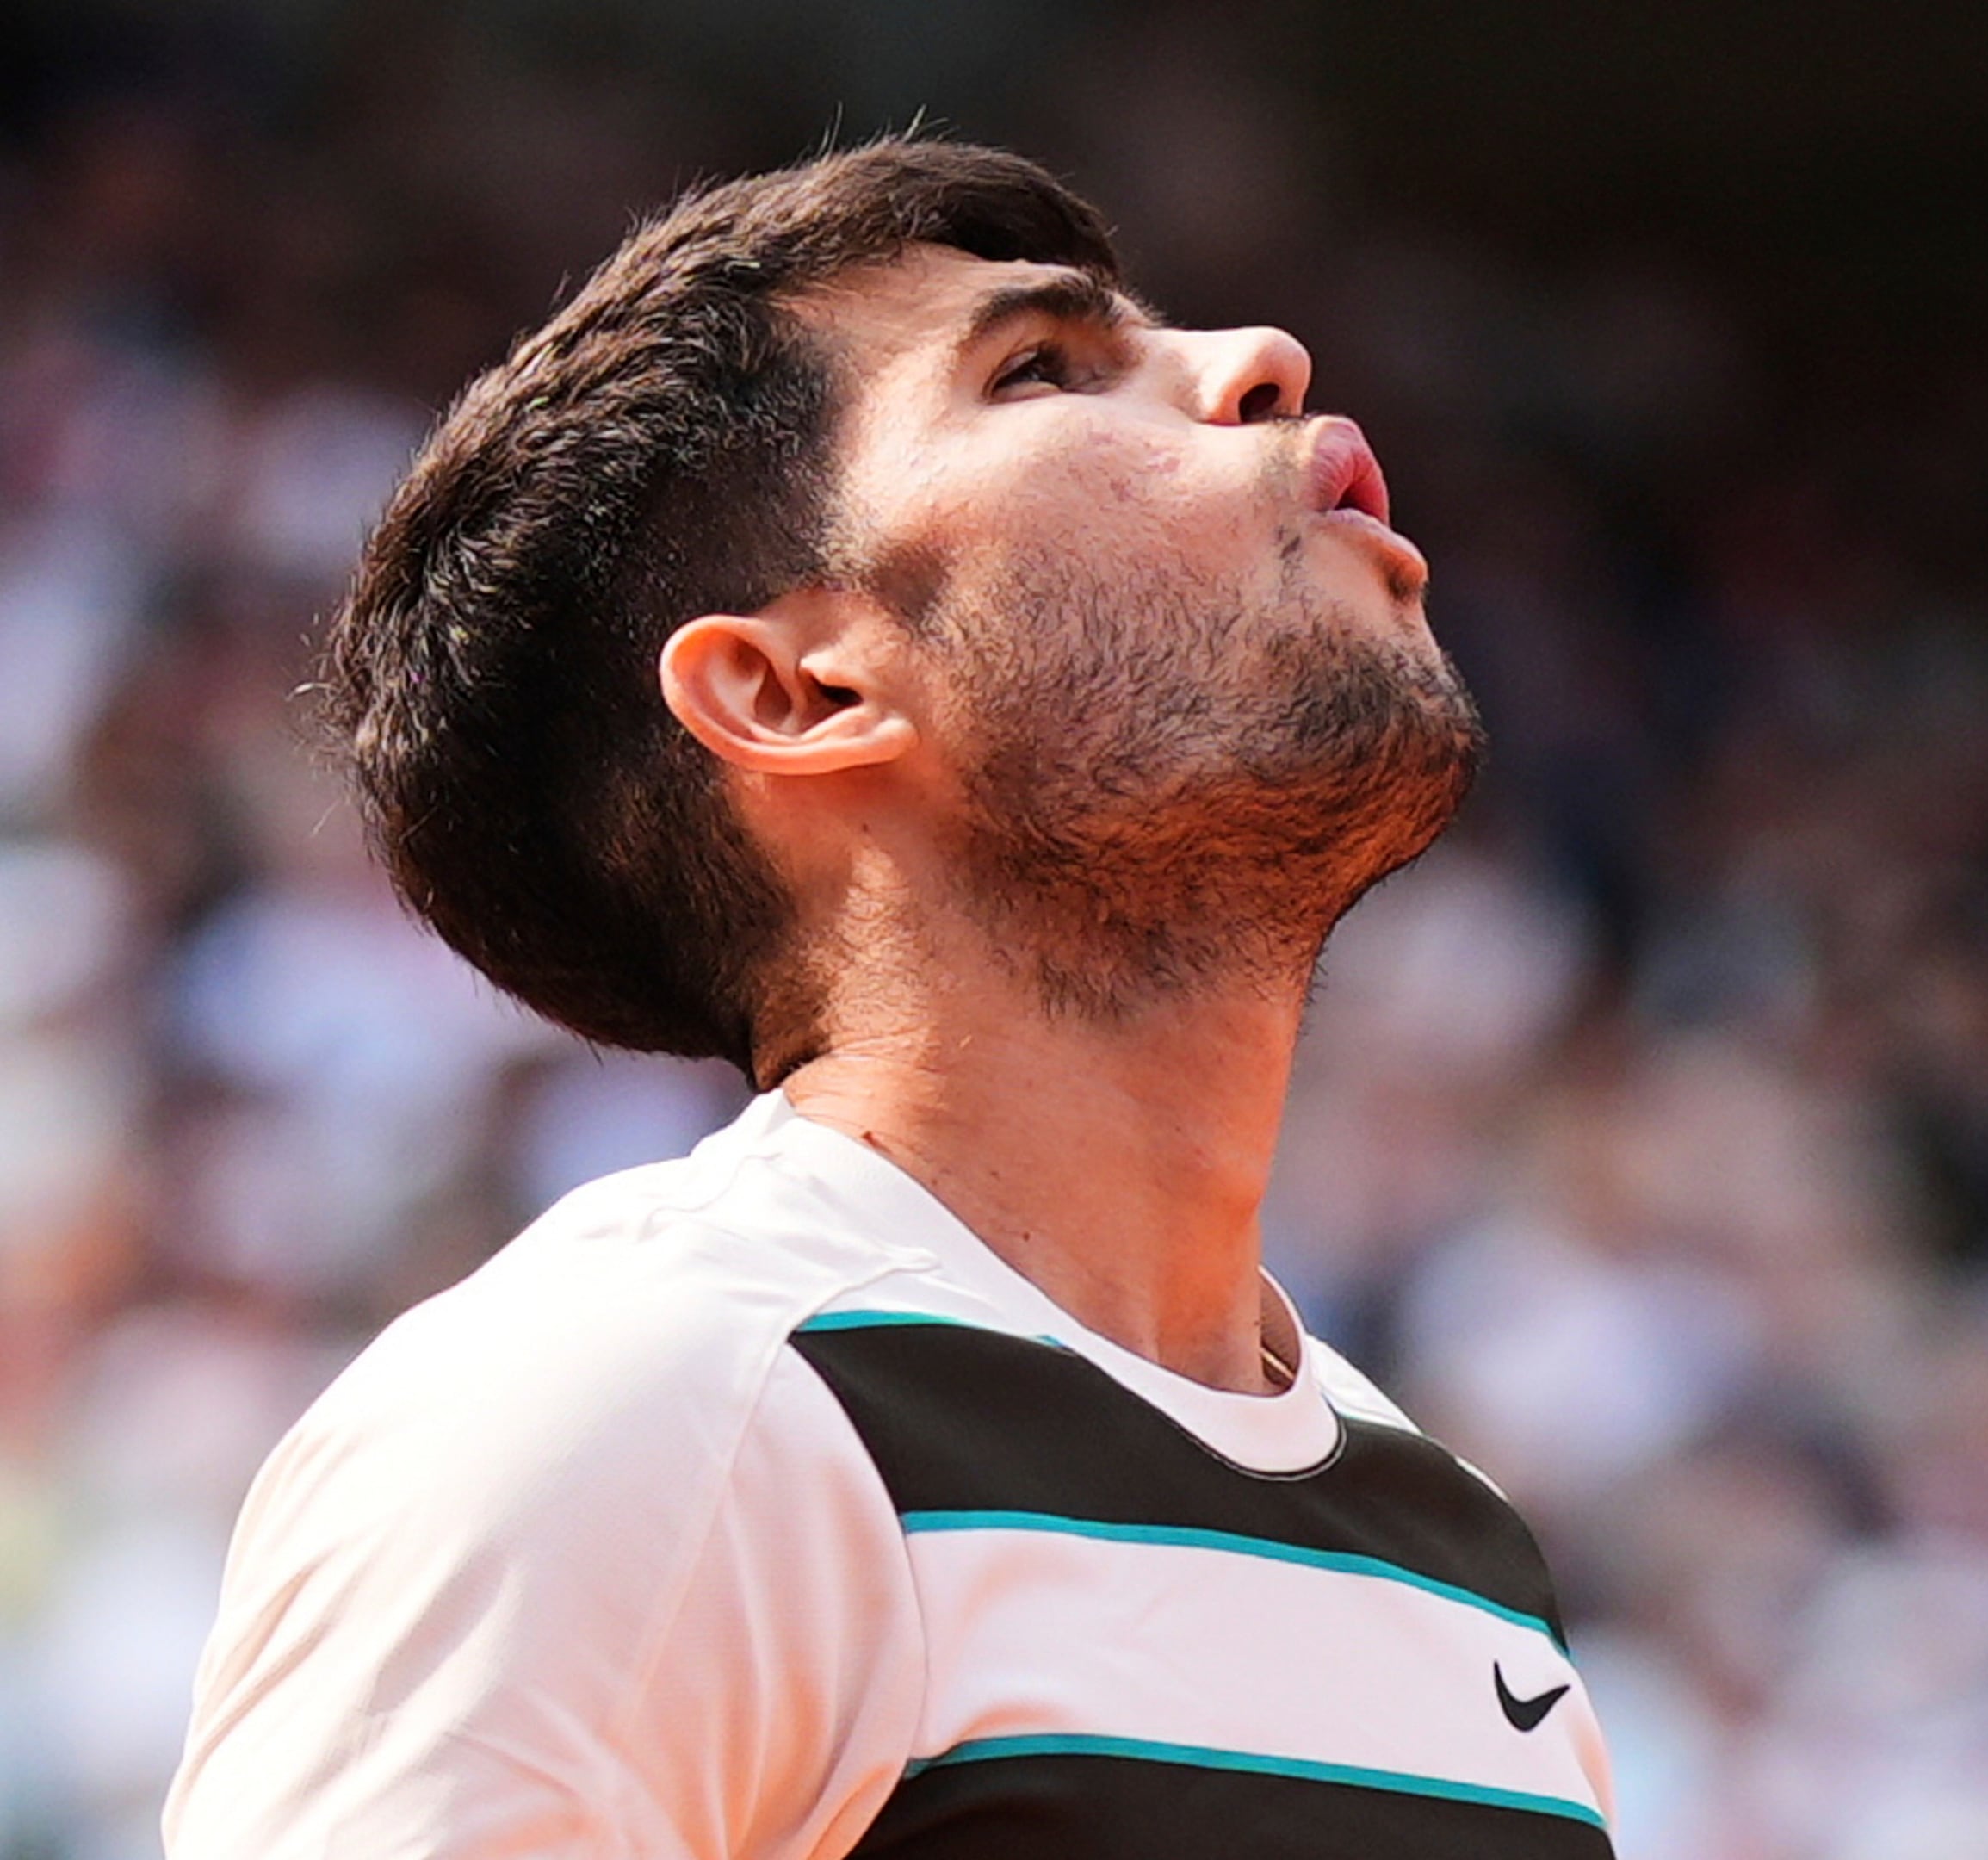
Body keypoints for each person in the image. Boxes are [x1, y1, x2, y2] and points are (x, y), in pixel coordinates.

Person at [161, 138, 1615, 1859]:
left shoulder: (1464, 1558)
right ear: (794, 689)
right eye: (1042, 370)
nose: (1258, 363)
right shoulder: (648, 1407)